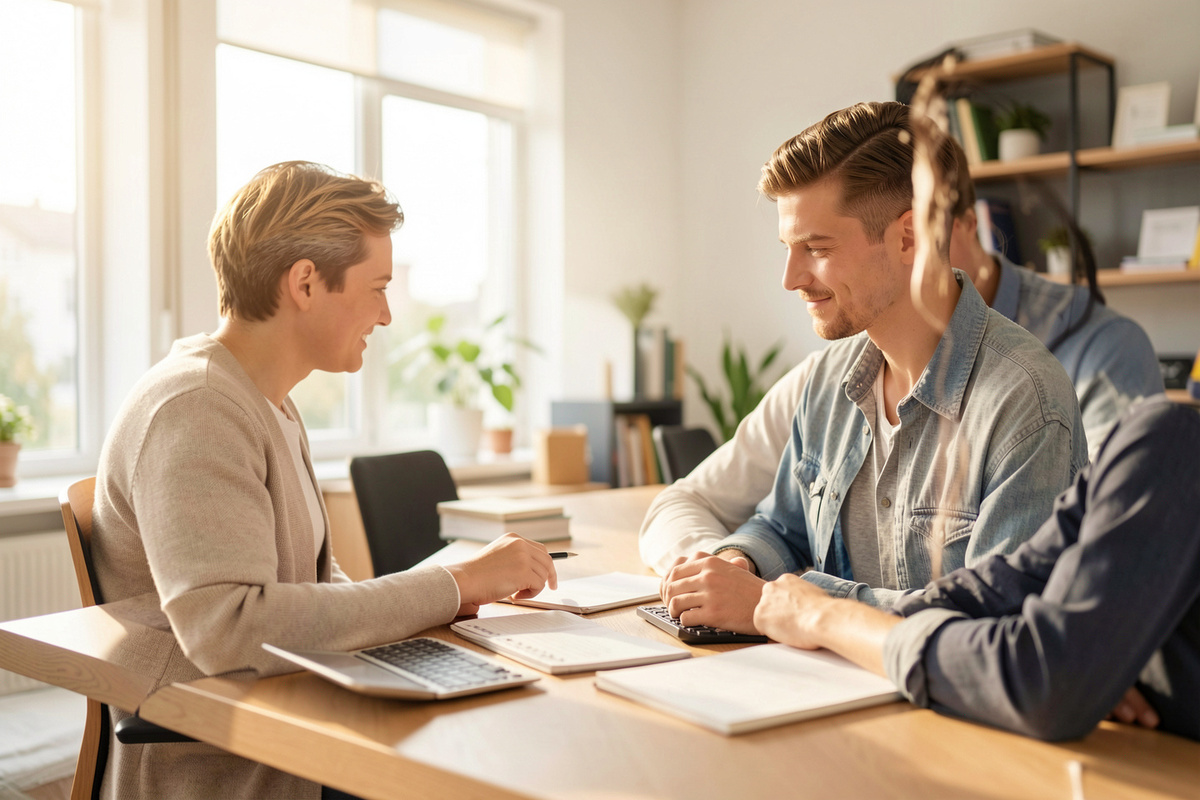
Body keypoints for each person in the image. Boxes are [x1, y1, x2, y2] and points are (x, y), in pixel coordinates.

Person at [90, 161, 557, 799]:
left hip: (295, 727)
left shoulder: (269, 401)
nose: (388, 315)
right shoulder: (195, 407)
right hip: (235, 768)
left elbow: (316, 584)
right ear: (306, 282)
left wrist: (452, 602)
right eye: (377, 287)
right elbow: (230, 628)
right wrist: (453, 583)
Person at [640, 110, 1161, 577]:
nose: (791, 278)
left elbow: (993, 622)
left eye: (817, 248)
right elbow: (783, 526)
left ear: (909, 237)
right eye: (788, 248)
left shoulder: (1024, 398)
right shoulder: (827, 381)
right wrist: (740, 561)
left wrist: (802, 606)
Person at [753, 396, 1200, 743]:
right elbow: (1014, 584)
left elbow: (1044, 680)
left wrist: (831, 618)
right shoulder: (1161, 438)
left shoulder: (1175, 441)